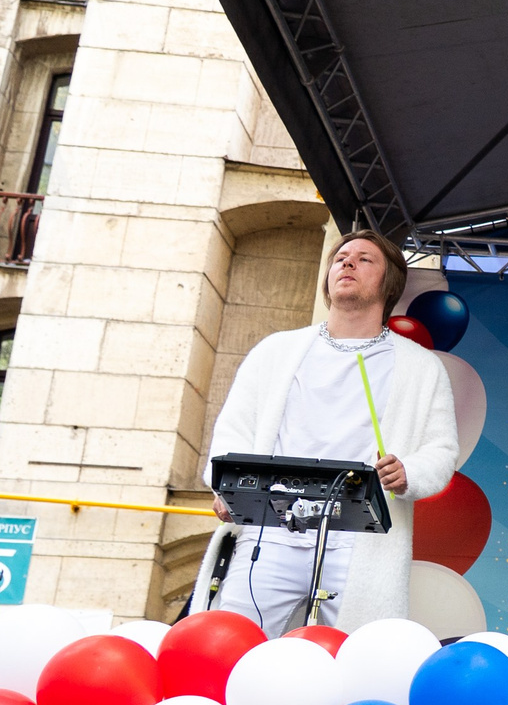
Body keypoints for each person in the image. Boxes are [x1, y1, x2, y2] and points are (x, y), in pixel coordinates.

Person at [195, 230, 459, 632]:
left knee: (354, 657)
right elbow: (233, 429)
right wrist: (227, 489)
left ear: (389, 285)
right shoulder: (276, 351)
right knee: (229, 641)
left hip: (359, 539)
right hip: (271, 529)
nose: (347, 263)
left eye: (365, 259)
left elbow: (441, 450)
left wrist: (409, 472)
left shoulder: (421, 367)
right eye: (341, 257)